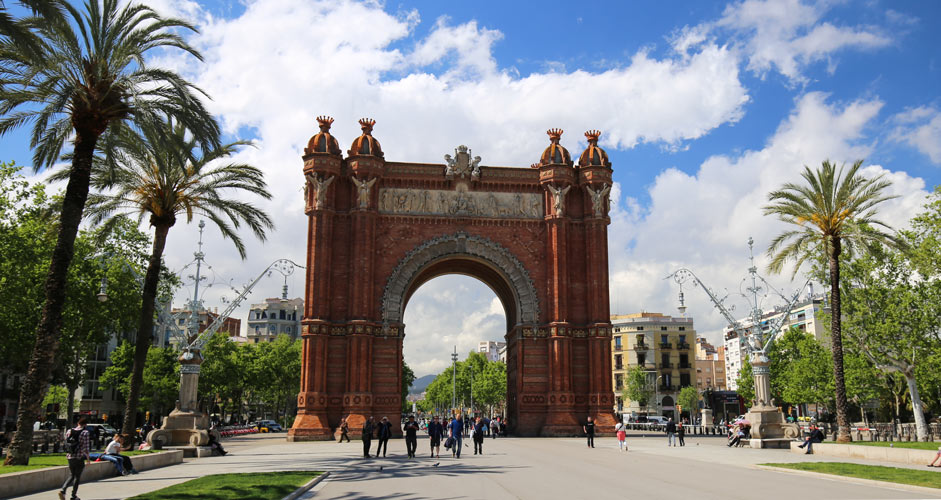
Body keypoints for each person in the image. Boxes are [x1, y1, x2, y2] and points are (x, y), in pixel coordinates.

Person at [59, 417, 90, 500]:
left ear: (78, 423)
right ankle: (73, 496)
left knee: (72, 474)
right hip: (79, 457)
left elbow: (66, 443)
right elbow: (86, 447)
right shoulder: (85, 432)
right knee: (77, 477)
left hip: (70, 456)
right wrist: (88, 459)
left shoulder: (69, 431)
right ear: (85, 425)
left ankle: (63, 490)